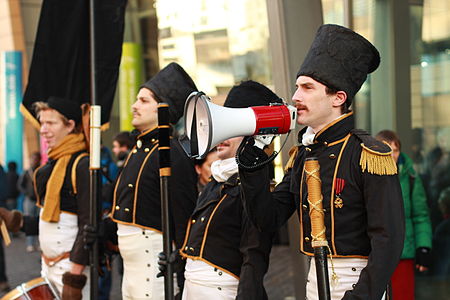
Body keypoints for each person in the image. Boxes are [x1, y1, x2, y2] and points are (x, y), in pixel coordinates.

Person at [238, 24, 405, 300]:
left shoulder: (369, 154)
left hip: (359, 284)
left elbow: (388, 239)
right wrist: (253, 165)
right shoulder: (302, 154)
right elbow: (268, 219)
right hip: (314, 280)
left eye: (307, 88)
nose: (295, 97)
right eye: (297, 87)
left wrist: (360, 296)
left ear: (338, 98)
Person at [161, 81, 275, 300]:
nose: (221, 136)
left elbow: (253, 257)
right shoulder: (217, 179)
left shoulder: (253, 188)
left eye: (231, 128)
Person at [110, 62, 198, 299]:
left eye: (144, 101)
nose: (134, 106)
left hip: (155, 267)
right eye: (137, 99)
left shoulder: (173, 154)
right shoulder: (137, 150)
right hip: (130, 270)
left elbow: (184, 216)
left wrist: (180, 265)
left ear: (163, 109)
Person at [33, 96, 91, 299]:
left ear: (70, 125)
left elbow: (89, 224)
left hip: (72, 269)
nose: (43, 130)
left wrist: (74, 277)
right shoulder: (46, 169)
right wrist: (14, 220)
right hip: (46, 266)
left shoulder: (82, 164)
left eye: (51, 123)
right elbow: (47, 221)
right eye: (42, 123)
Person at [375, 130, 432, 300]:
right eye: (387, 149)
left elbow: (421, 215)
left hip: (403, 253)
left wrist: (423, 246)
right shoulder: (367, 176)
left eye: (396, 150)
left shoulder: (411, 177)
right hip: (375, 254)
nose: (392, 154)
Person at [18, 151, 42, 252]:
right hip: (29, 200)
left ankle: (39, 243)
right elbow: (19, 185)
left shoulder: (41, 171)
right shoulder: (27, 172)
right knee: (29, 222)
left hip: (39, 200)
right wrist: (26, 193)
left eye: (36, 159)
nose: (34, 161)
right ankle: (30, 243)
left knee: (40, 222)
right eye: (32, 159)